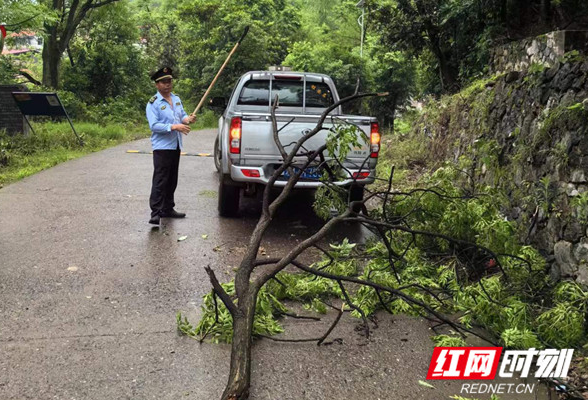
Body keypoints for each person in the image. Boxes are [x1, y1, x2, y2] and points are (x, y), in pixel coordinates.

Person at [146, 66, 196, 225]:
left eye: (169, 81)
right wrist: (174, 127)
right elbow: (154, 126)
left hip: (175, 145)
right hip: (162, 147)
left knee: (172, 179)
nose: (167, 84)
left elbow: (181, 117)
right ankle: (155, 212)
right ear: (157, 84)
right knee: (160, 180)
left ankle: (168, 208)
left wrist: (188, 119)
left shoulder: (176, 99)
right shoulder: (153, 103)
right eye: (163, 82)